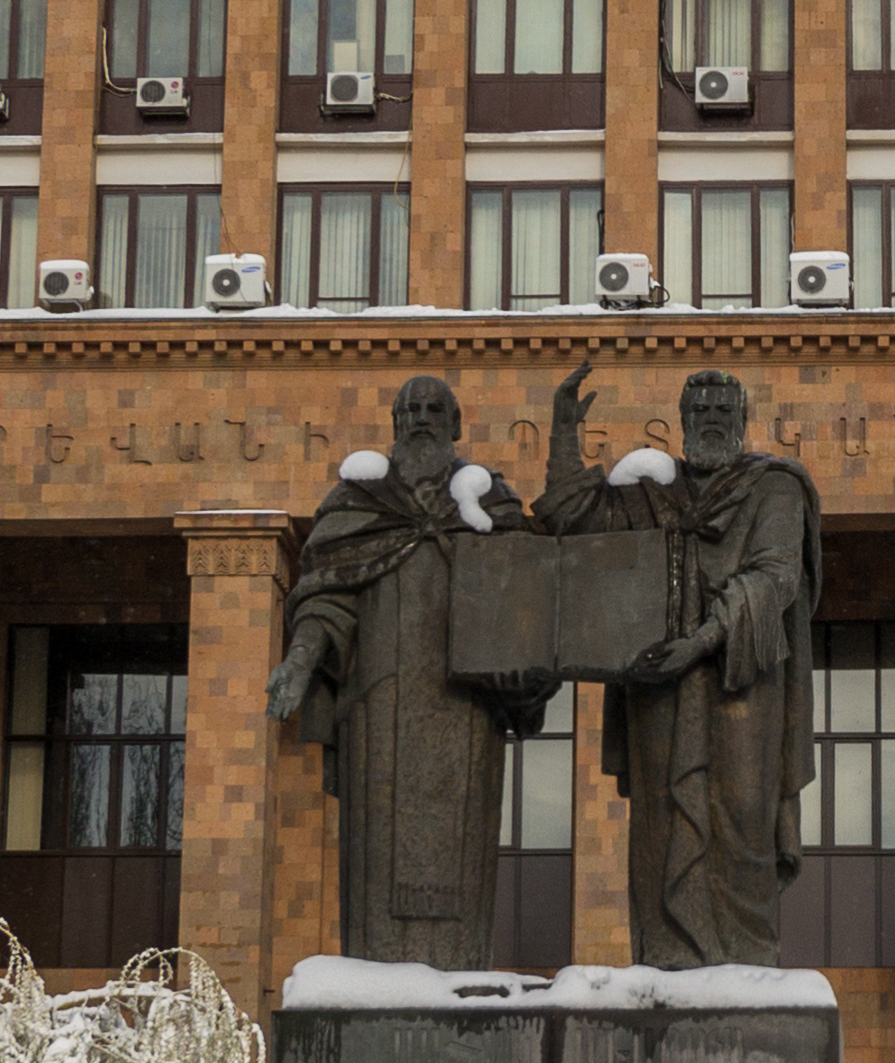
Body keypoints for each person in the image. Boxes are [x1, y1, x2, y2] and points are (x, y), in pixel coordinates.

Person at [536, 363, 820, 969]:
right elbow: (571, 523)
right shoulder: (652, 493)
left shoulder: (774, 489)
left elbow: (774, 578)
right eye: (701, 411)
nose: (712, 420)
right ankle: (668, 965)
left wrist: (700, 642)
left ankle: (745, 969)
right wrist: (563, 435)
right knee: (663, 827)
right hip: (661, 696)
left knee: (743, 822)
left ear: (741, 422)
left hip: (744, 684)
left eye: (724, 411)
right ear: (683, 422)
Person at [271, 375, 549, 967]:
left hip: (464, 708)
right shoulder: (358, 504)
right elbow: (327, 592)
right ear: (395, 424)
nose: (422, 419)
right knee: (378, 849)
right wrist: (300, 658)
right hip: (379, 703)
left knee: (460, 841)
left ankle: (456, 966)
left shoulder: (490, 505)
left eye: (434, 410)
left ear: (455, 426)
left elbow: (526, 595)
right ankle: (379, 972)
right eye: (411, 410)